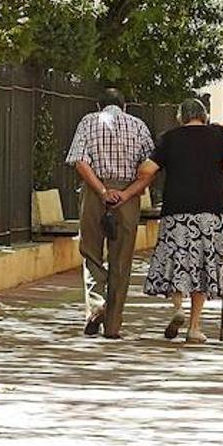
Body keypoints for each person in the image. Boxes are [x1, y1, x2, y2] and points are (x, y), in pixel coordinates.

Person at [118, 98, 223, 344]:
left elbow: (147, 171)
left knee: (176, 260)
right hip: (209, 211)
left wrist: (132, 183)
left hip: (176, 210)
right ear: (204, 115)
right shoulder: (218, 137)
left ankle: (178, 308)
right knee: (203, 266)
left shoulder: (169, 138)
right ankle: (194, 327)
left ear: (181, 117)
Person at [65, 88, 155, 339]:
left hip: (95, 191)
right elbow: (149, 168)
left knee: (91, 252)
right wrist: (126, 194)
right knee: (121, 259)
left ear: (98, 105)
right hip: (128, 193)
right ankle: (113, 325)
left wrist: (103, 191)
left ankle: (97, 305)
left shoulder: (88, 121)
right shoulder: (138, 126)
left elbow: (80, 161)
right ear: (124, 106)